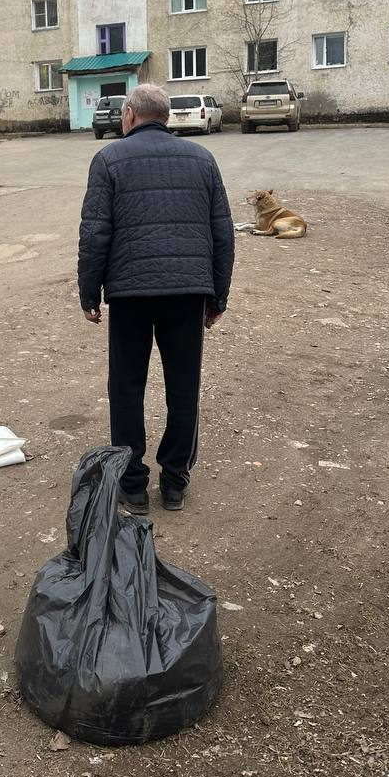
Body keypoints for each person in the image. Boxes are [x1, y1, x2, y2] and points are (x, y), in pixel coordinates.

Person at [77, 83, 234, 514]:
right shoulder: (202, 159)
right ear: (166, 117)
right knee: (183, 387)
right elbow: (223, 233)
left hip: (130, 294)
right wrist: (218, 295)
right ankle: (175, 481)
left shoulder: (108, 158)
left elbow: (94, 232)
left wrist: (89, 293)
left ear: (129, 115)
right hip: (187, 294)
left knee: (126, 387)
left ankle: (131, 482)